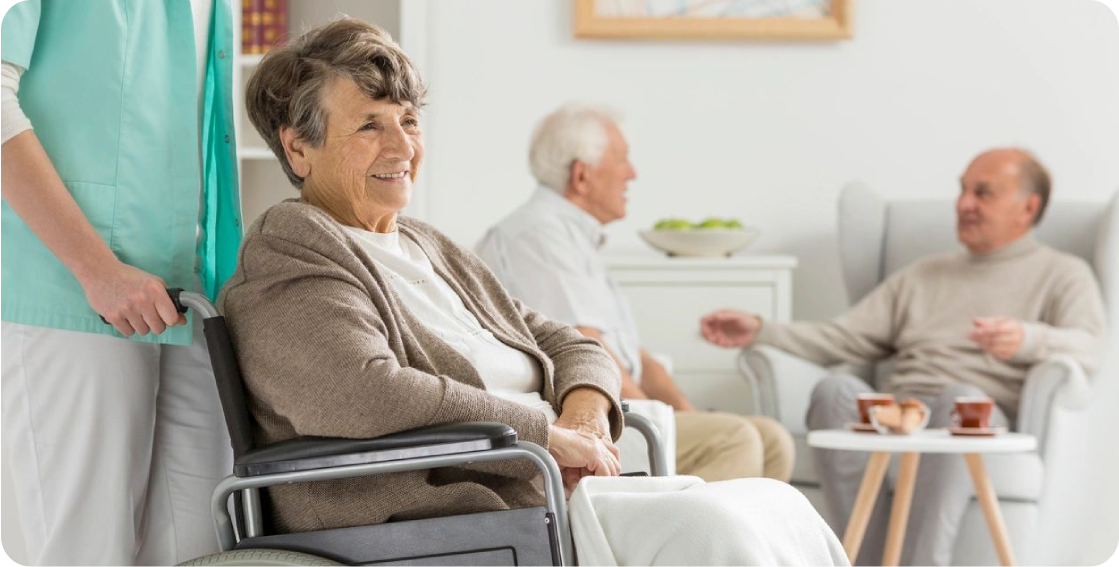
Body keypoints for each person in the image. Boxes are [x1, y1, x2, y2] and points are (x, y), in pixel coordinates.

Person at [218, 18, 847, 565]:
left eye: (409, 121)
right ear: (298, 147)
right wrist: (543, 437)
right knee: (715, 528)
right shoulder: (292, 247)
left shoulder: (422, 243)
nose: (403, 146)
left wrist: (582, 417)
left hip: (550, 488)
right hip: (453, 516)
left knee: (779, 504)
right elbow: (363, 394)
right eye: (369, 126)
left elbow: (566, 340)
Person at [700, 148, 1106, 567]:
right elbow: (844, 337)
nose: (964, 204)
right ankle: (861, 559)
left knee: (960, 399)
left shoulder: (1063, 274)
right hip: (901, 410)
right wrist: (762, 329)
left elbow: (1092, 349)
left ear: (1028, 207)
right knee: (835, 390)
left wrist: (1027, 339)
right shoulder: (923, 274)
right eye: (963, 190)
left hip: (975, 414)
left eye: (983, 193)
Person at [0, 1, 242, 565]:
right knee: (86, 550)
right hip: (73, 298)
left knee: (202, 548)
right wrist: (96, 270)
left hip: (194, 304)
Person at [476, 103, 794, 482]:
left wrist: (685, 416)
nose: (633, 173)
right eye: (622, 159)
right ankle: (694, 540)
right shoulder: (537, 237)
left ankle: (750, 543)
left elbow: (637, 359)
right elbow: (588, 349)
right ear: (581, 175)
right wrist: (656, 424)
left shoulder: (571, 238)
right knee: (735, 438)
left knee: (773, 439)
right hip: (582, 425)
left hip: (619, 407)